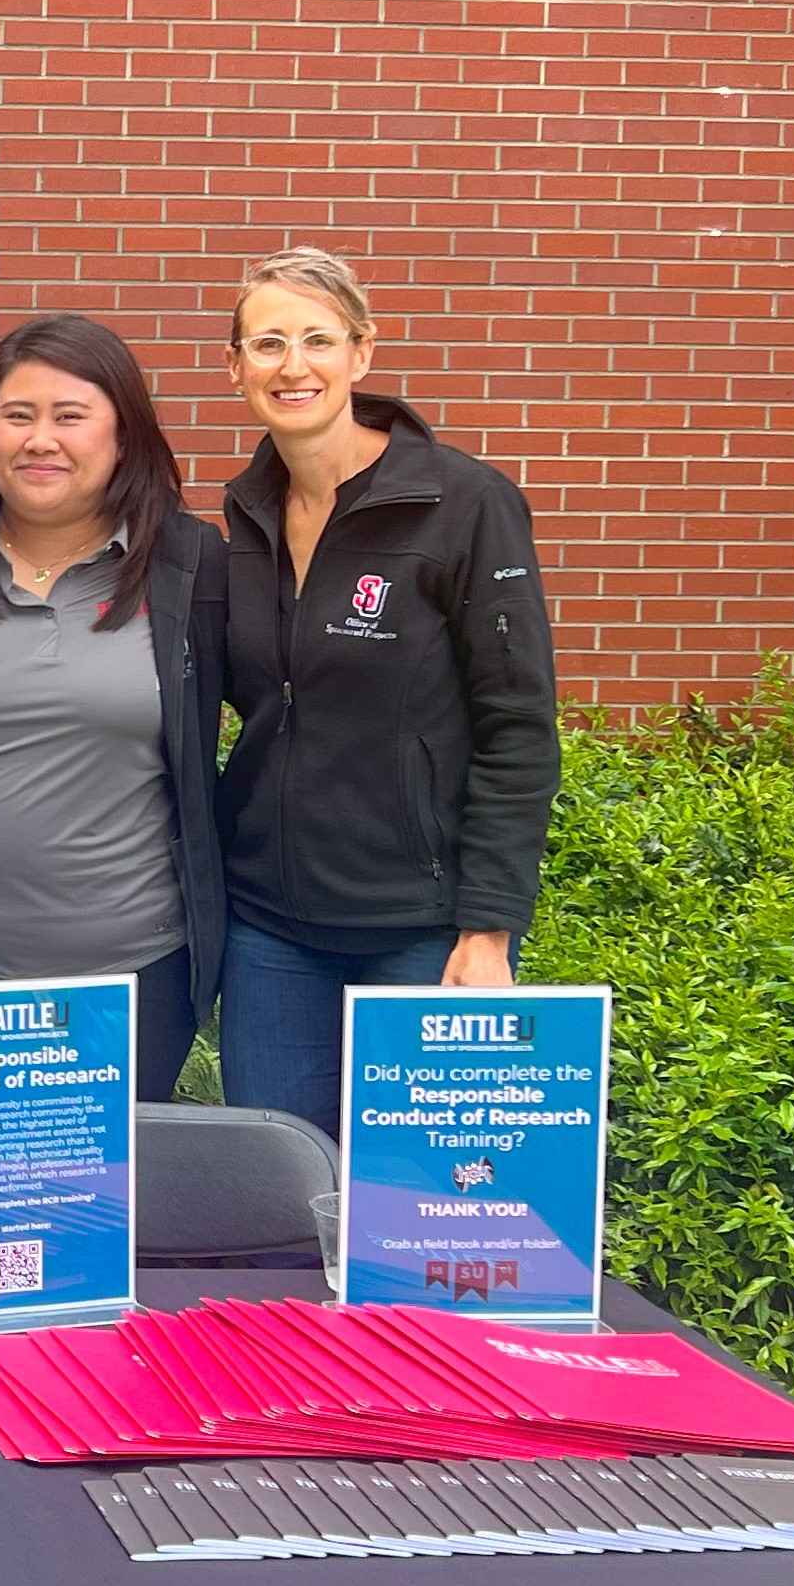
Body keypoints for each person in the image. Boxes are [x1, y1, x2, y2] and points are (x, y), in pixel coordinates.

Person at [213, 246, 561, 1135]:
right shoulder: (244, 514)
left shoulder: (465, 505)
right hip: (270, 928)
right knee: (283, 1202)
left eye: (318, 340)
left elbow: (518, 727)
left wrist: (488, 929)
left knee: (410, 1203)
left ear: (362, 354)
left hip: (420, 926)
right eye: (268, 343)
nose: (294, 366)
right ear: (236, 366)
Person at [0, 314, 226, 1102]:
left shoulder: (188, 564)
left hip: (137, 980)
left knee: (104, 1213)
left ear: (124, 436)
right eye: (18, 415)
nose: (40, 439)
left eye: (70, 416)